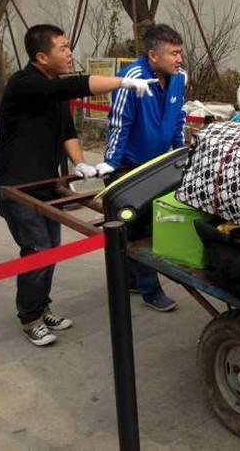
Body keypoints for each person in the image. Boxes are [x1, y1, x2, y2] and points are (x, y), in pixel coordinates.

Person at [0, 24, 157, 346]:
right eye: (63, 48)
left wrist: (80, 162)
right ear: (42, 57)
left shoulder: (53, 88)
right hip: (15, 186)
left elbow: (68, 131)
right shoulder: (24, 84)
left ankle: (41, 306)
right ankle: (30, 317)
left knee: (50, 247)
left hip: (46, 183)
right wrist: (123, 82)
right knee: (37, 249)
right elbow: (74, 86)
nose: (69, 53)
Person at [96, 24, 187, 313]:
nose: (179, 59)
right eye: (173, 53)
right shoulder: (132, 78)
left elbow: (178, 118)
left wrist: (181, 152)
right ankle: (151, 290)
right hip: (129, 168)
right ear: (153, 56)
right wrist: (111, 166)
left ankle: (132, 279)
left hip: (159, 164)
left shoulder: (179, 78)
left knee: (148, 226)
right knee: (136, 229)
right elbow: (119, 124)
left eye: (180, 53)